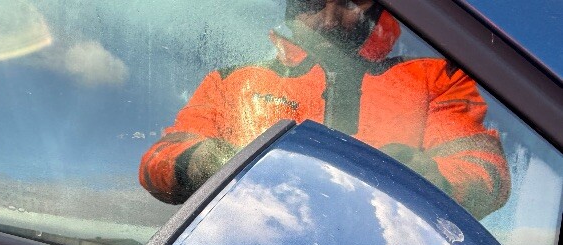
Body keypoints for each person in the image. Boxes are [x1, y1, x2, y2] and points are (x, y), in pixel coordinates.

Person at [139, 0, 510, 219]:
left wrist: (422, 180)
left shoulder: (436, 78)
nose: (330, 20)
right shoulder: (231, 80)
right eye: (315, 1)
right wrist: (203, 162)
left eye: (350, 3)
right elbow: (159, 159)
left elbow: (483, 170)